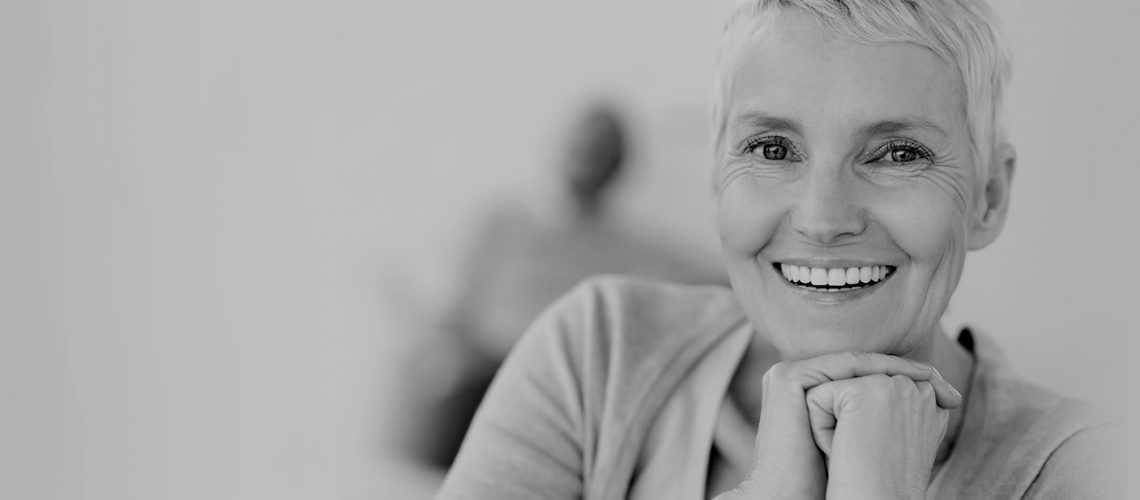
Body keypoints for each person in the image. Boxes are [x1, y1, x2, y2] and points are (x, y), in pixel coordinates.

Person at [435, 0, 1111, 498]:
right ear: (716, 180)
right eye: (772, 149)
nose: (823, 219)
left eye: (899, 154)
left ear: (989, 197)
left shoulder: (1086, 471)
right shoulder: (597, 357)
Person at [401, 103, 724, 468]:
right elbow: (453, 313)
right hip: (480, 382)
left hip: (564, 399)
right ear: (561, 148)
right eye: (583, 148)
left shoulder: (629, 249)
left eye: (602, 153)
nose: (588, 161)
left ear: (618, 167)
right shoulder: (502, 222)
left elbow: (710, 282)